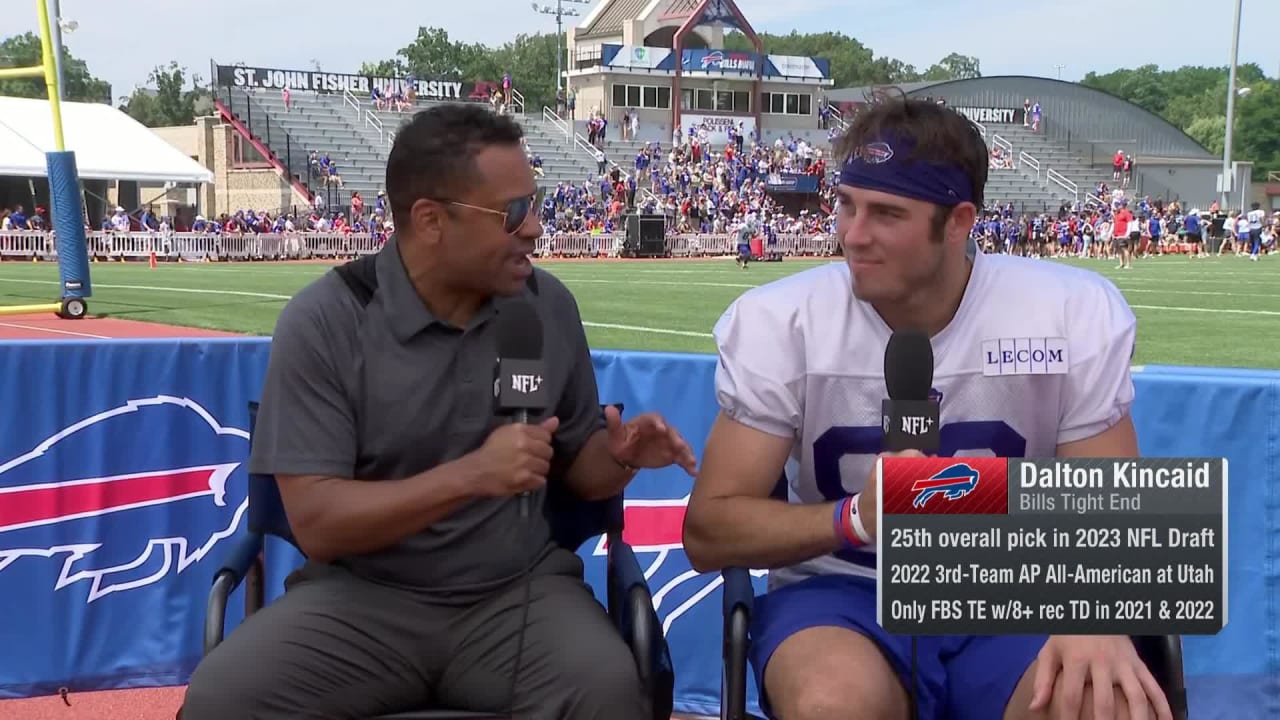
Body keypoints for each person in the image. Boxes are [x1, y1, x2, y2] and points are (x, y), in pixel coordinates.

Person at [182, 103, 697, 720]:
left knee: (610, 691)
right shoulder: (329, 321)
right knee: (221, 701)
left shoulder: (539, 309)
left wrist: (616, 459)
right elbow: (318, 523)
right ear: (430, 220)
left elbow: (572, 468)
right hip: (359, 601)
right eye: (513, 213)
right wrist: (472, 476)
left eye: (537, 205)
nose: (535, 229)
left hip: (518, 599)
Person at [683, 93, 1173, 720]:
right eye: (846, 205)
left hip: (1013, 592)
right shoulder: (787, 322)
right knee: (833, 705)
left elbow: (1111, 504)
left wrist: (1093, 610)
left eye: (887, 213)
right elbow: (708, 531)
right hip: (844, 592)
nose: (853, 236)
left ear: (960, 221)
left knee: (1096, 702)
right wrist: (856, 518)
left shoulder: (1067, 312)